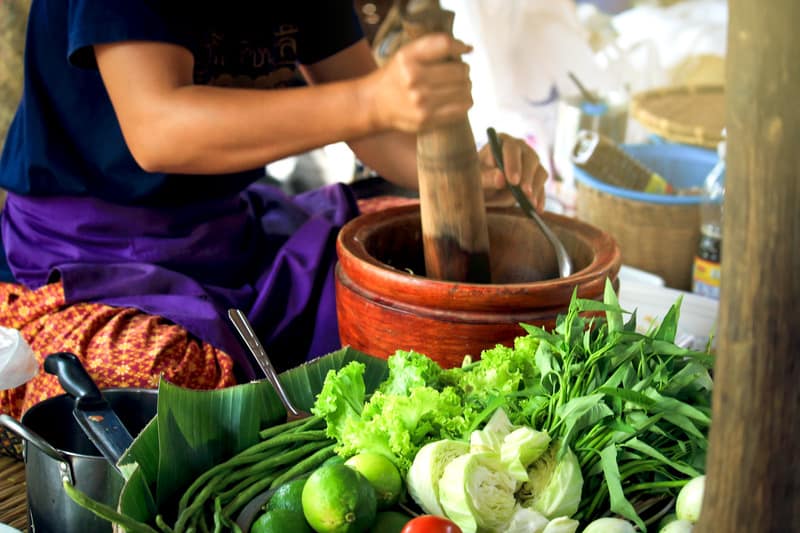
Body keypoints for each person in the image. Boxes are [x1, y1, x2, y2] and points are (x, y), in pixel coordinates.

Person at [0, 0, 548, 427]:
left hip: (231, 238)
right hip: (84, 256)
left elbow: (375, 124)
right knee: (172, 391)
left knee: (397, 264)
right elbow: (159, 129)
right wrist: (374, 98)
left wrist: (476, 184)